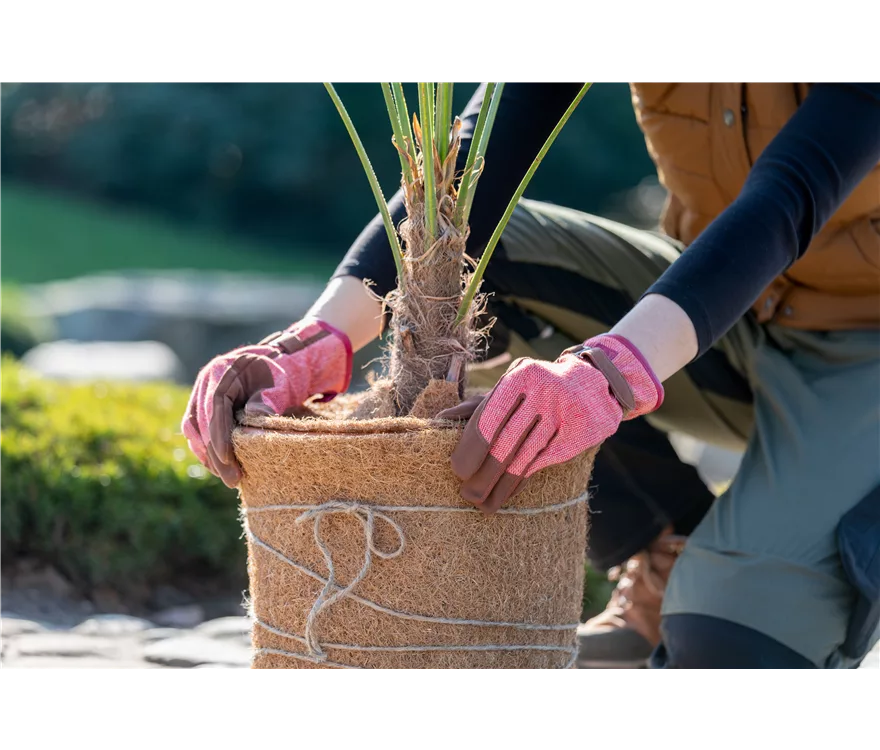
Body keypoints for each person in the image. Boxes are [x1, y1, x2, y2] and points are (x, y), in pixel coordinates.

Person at [183, 81, 880, 672]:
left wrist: (603, 375)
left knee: (729, 646)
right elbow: (473, 161)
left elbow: (790, 195)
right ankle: (671, 541)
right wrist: (314, 342)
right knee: (470, 262)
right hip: (731, 316)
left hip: (866, 348)